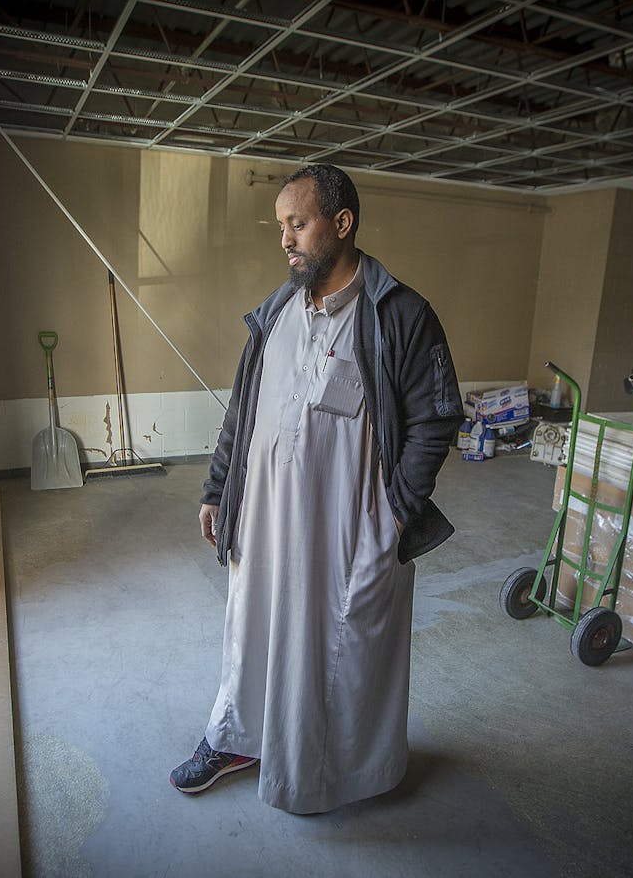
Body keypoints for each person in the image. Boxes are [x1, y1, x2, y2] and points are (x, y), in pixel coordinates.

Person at [171, 164, 463, 814]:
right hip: (266, 516)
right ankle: (237, 737)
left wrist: (395, 513)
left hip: (347, 528)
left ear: (342, 223)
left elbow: (437, 414)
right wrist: (218, 488)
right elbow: (242, 413)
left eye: (297, 224)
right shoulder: (277, 311)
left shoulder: (399, 314)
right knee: (251, 633)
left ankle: (326, 772)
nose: (285, 239)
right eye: (280, 226)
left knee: (336, 651)